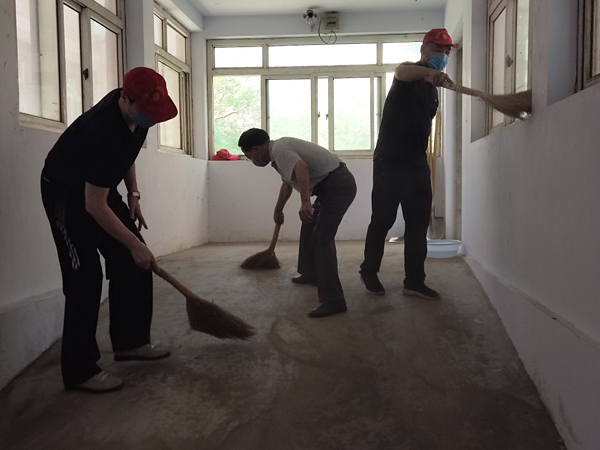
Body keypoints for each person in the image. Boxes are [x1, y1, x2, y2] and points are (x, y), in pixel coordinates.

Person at [40, 67, 178, 393]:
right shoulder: (102, 129)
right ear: (126, 100)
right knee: (85, 278)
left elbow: (127, 152)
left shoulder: (138, 113)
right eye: (146, 112)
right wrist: (135, 245)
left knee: (133, 260)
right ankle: (80, 371)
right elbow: (94, 206)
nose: (151, 119)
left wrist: (133, 194)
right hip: (67, 194)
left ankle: (131, 343)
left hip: (99, 188)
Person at [359, 28, 457, 299]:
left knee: (418, 223)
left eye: (446, 52)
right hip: (390, 160)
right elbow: (401, 72)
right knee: (382, 220)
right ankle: (369, 271)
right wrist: (427, 73)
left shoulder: (433, 91)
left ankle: (414, 281)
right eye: (438, 50)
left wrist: (433, 79)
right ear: (424, 50)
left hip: (416, 162)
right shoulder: (409, 74)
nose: (443, 55)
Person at [238, 129, 357, 318]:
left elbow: (302, 168)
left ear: (256, 149)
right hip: (329, 186)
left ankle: (334, 301)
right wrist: (278, 209)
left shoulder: (280, 149)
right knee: (309, 225)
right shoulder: (277, 154)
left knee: (321, 238)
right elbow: (287, 183)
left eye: (249, 156)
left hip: (338, 185)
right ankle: (311, 273)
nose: (253, 160)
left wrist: (305, 202)